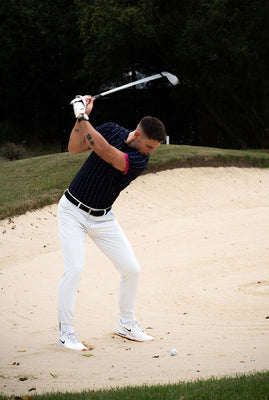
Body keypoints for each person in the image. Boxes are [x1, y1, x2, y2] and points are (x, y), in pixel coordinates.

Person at [57, 95, 166, 350]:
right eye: (150, 146)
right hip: (72, 211)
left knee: (132, 270)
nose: (151, 153)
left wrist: (82, 115)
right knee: (74, 270)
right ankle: (66, 332)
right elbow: (74, 147)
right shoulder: (110, 129)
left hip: (103, 218)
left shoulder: (139, 160)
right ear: (137, 134)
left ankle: (126, 324)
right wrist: (79, 119)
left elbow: (105, 151)